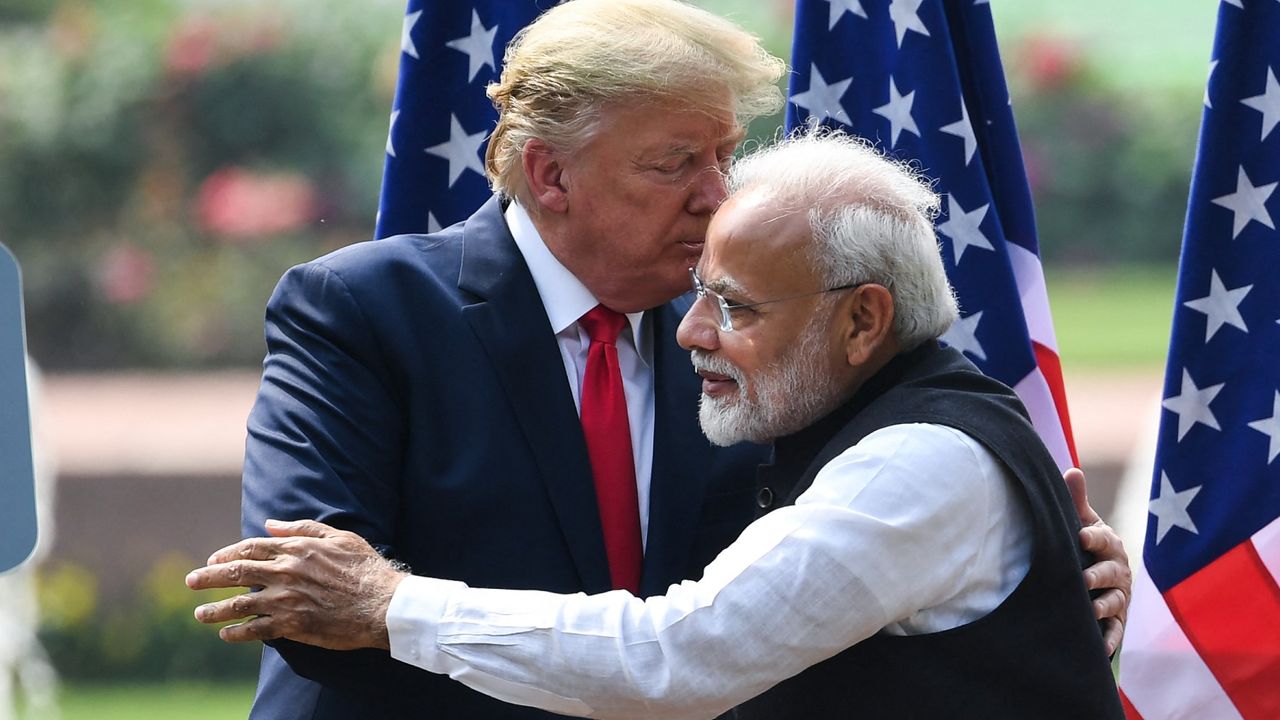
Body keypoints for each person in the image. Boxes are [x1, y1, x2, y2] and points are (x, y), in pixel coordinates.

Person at [229, 1, 1129, 717]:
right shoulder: (360, 312)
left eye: (726, 155)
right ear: (550, 176)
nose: (719, 196)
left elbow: (794, 578)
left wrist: (1042, 575)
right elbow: (312, 610)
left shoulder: (766, 340)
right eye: (677, 163)